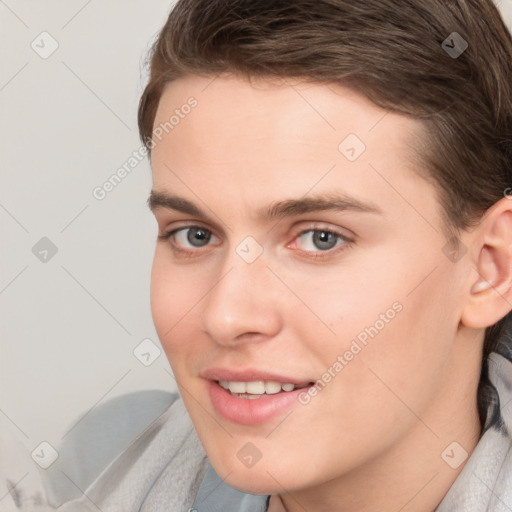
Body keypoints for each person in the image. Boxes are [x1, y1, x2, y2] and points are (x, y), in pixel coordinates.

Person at [16, 0, 512, 510]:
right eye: (194, 234)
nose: (225, 316)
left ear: (491, 267)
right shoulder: (93, 469)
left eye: (321, 238)